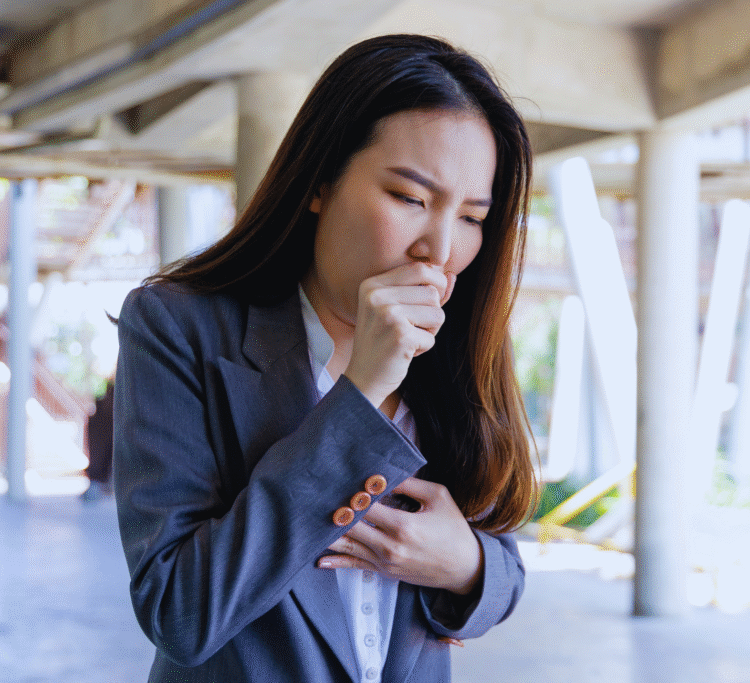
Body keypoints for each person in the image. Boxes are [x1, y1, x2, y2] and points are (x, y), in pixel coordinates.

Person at [113, 34, 536, 683]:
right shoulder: (179, 327)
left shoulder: (456, 347)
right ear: (320, 181)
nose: (440, 248)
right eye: (410, 198)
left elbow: (504, 564)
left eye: (473, 216)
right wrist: (361, 392)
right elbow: (179, 612)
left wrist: (467, 566)